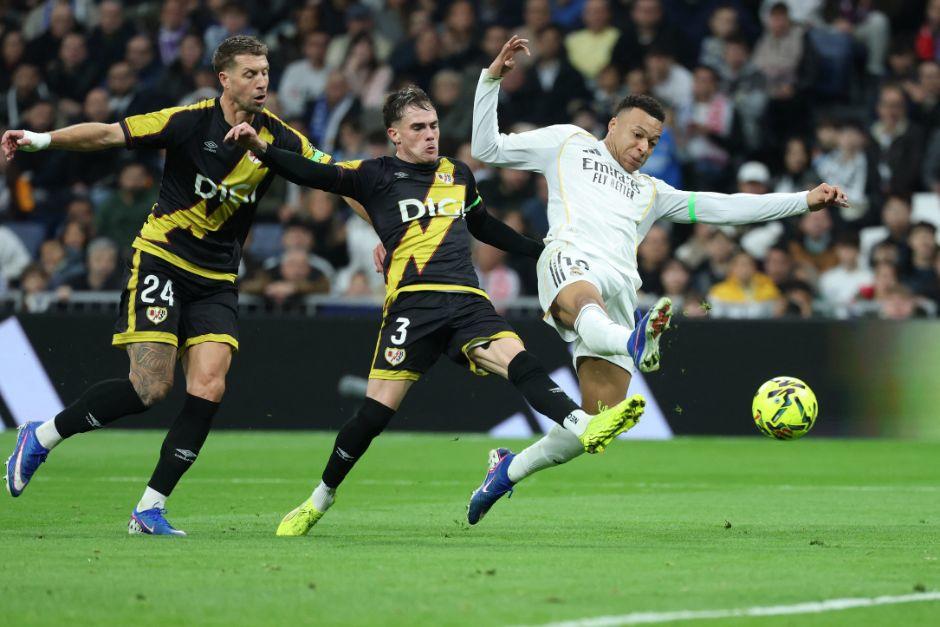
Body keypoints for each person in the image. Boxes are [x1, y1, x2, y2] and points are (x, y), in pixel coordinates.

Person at [225, 85, 645, 536]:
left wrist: (540, 250)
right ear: (395, 135)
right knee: (372, 417)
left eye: (434, 126)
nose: (430, 136)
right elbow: (311, 173)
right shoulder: (374, 175)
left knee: (520, 360)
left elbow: (484, 227)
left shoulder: (459, 174)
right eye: (418, 128)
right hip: (412, 307)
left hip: (466, 300)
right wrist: (262, 148)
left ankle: (582, 423)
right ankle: (319, 499)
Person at [468, 35, 850, 523]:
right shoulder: (568, 143)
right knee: (584, 304)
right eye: (637, 134)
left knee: (594, 425)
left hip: (621, 289)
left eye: (653, 141)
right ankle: (632, 341)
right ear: (612, 125)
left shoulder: (653, 191)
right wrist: (491, 79)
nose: (643, 147)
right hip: (569, 261)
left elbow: (725, 207)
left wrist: (802, 201)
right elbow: (487, 147)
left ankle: (504, 471)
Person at [3, 36, 332, 536]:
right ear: (224, 79)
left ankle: (149, 508)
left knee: (209, 386)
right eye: (250, 73)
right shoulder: (188, 122)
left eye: (266, 72)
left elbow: (336, 176)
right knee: (151, 387)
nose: (262, 81)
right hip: (163, 260)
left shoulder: (279, 138)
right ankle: (42, 436)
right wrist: (42, 139)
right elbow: (108, 134)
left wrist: (385, 230)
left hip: (218, 279)